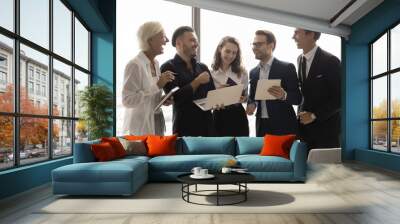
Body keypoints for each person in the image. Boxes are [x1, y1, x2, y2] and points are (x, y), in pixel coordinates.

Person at [160, 26, 215, 137]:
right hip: (184, 130)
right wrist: (197, 81)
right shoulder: (167, 67)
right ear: (178, 43)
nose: (196, 44)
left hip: (208, 129)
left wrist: (217, 102)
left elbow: (211, 94)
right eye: (192, 40)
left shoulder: (203, 67)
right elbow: (176, 98)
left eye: (196, 41)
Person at [122, 21, 175, 135]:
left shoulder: (156, 63)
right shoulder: (134, 65)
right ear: (150, 40)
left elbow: (149, 98)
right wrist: (157, 86)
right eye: (163, 37)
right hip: (139, 130)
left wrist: (161, 100)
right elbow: (127, 101)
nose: (167, 41)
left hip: (156, 123)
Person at [246, 30, 302, 136]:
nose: (255, 47)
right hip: (262, 126)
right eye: (254, 44)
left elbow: (298, 98)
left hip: (283, 126)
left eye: (259, 44)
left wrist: (283, 95)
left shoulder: (286, 68)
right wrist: (251, 104)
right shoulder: (253, 72)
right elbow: (252, 97)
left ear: (271, 45)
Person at [292, 28, 341, 149]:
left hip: (326, 131)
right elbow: (305, 92)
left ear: (311, 34)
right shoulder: (299, 59)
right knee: (306, 167)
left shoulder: (331, 61)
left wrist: (314, 116)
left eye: (297, 32)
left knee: (325, 168)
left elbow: (339, 98)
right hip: (304, 130)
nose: (293, 37)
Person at [210, 36, 249, 136]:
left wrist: (243, 98)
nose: (230, 55)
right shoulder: (211, 73)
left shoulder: (242, 72)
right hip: (219, 115)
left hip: (238, 115)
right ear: (220, 49)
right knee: (219, 148)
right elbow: (208, 100)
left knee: (240, 148)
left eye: (234, 53)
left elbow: (245, 96)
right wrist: (218, 92)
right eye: (227, 51)